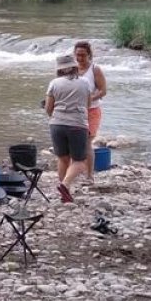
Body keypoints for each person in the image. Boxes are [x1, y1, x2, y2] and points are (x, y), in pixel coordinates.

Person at [45, 53, 90, 203]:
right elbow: (87, 105)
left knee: (63, 158)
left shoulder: (54, 83)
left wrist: (56, 117)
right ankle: (65, 185)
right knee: (79, 161)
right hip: (77, 124)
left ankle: (64, 193)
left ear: (60, 69)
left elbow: (48, 108)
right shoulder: (84, 83)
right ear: (74, 67)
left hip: (57, 124)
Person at [74, 40, 108, 183]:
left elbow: (103, 91)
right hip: (75, 111)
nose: (80, 58)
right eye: (77, 55)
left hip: (92, 110)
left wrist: (89, 99)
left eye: (83, 55)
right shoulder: (72, 69)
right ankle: (76, 171)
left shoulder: (95, 70)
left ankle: (90, 176)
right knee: (75, 142)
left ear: (89, 55)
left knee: (87, 142)